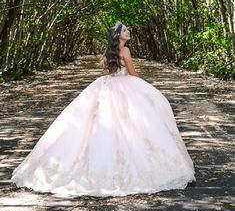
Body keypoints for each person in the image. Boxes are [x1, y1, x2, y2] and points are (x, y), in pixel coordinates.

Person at [11, 21, 196, 197]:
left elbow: (107, 72)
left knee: (100, 125)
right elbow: (132, 73)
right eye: (125, 30)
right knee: (133, 124)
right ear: (118, 35)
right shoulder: (126, 50)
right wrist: (141, 83)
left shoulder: (108, 51)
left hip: (107, 86)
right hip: (126, 86)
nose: (128, 32)